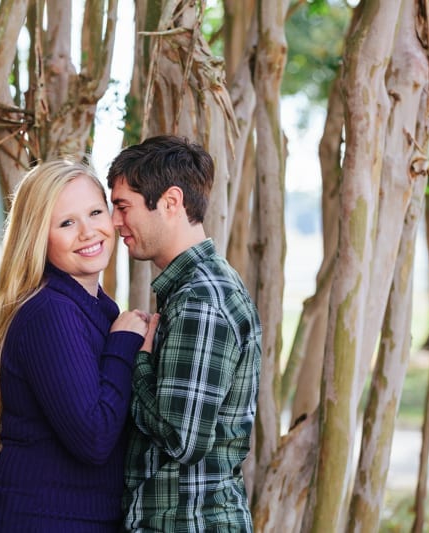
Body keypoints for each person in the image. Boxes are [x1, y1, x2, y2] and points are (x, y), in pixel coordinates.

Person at [0, 159, 158, 532]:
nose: (88, 232)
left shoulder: (95, 308)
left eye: (95, 212)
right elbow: (93, 437)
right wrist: (122, 346)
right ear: (39, 236)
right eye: (66, 223)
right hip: (42, 520)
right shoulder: (49, 312)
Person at [107, 135, 262, 532]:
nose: (114, 221)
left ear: (171, 202)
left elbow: (182, 439)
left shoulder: (200, 301)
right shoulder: (194, 290)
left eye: (123, 206)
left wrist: (135, 360)